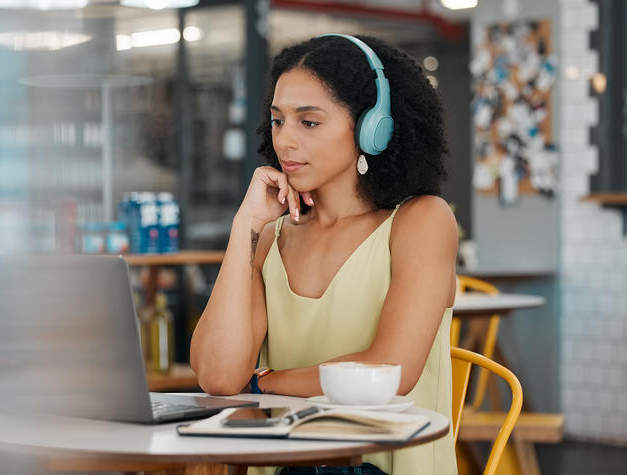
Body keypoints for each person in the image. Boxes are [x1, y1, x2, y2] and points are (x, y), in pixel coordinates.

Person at [190, 34, 458, 475]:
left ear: (374, 127)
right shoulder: (272, 236)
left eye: (309, 122)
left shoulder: (421, 220)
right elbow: (219, 377)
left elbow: (390, 370)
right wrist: (246, 227)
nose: (285, 141)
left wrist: (264, 383)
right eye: (277, 121)